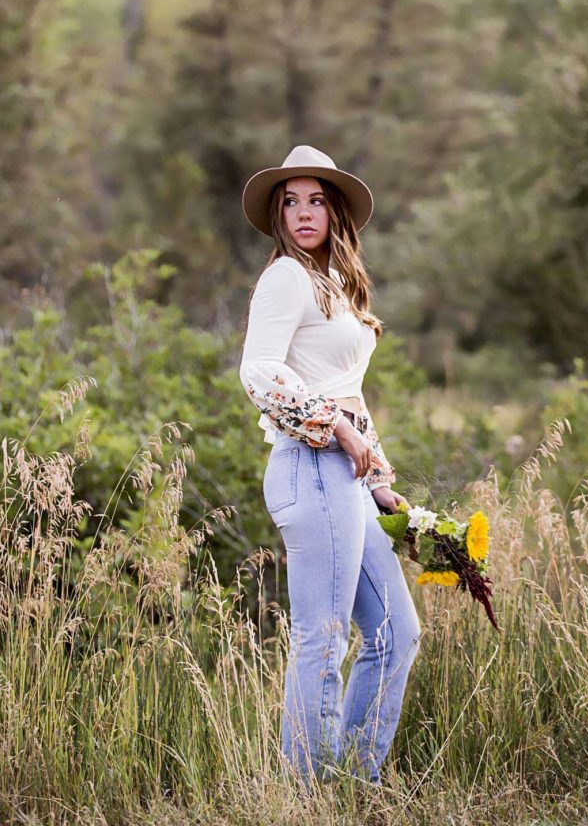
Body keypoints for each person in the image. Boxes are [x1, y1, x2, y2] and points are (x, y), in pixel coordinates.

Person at [238, 144, 421, 787]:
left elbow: (348, 389)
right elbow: (258, 372)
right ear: (279, 215)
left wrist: (378, 482)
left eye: (316, 200)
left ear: (336, 210)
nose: (303, 212)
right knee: (321, 639)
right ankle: (307, 795)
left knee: (397, 633)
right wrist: (336, 428)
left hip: (345, 475)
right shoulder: (286, 276)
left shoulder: (336, 284)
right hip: (309, 465)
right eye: (290, 202)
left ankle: (350, 783)